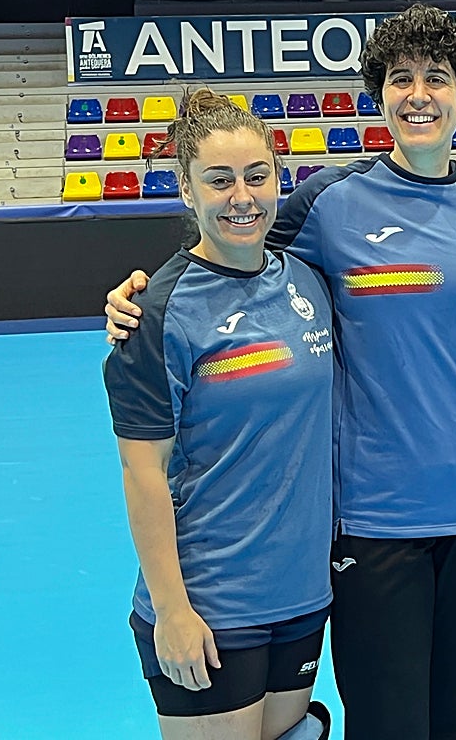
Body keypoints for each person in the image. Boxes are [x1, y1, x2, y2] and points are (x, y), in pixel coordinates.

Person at [106, 3, 456, 740]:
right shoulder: (329, 203)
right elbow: (228, 246)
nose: (419, 94)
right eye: (401, 79)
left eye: (437, 78)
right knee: (388, 724)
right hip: (372, 519)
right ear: (379, 96)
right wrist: (136, 295)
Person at [102, 88, 333, 740]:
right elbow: (143, 473)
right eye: (220, 179)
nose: (242, 196)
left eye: (258, 177)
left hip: (300, 599)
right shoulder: (155, 313)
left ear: (279, 180)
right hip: (209, 605)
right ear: (185, 189)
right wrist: (172, 610)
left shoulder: (306, 279)